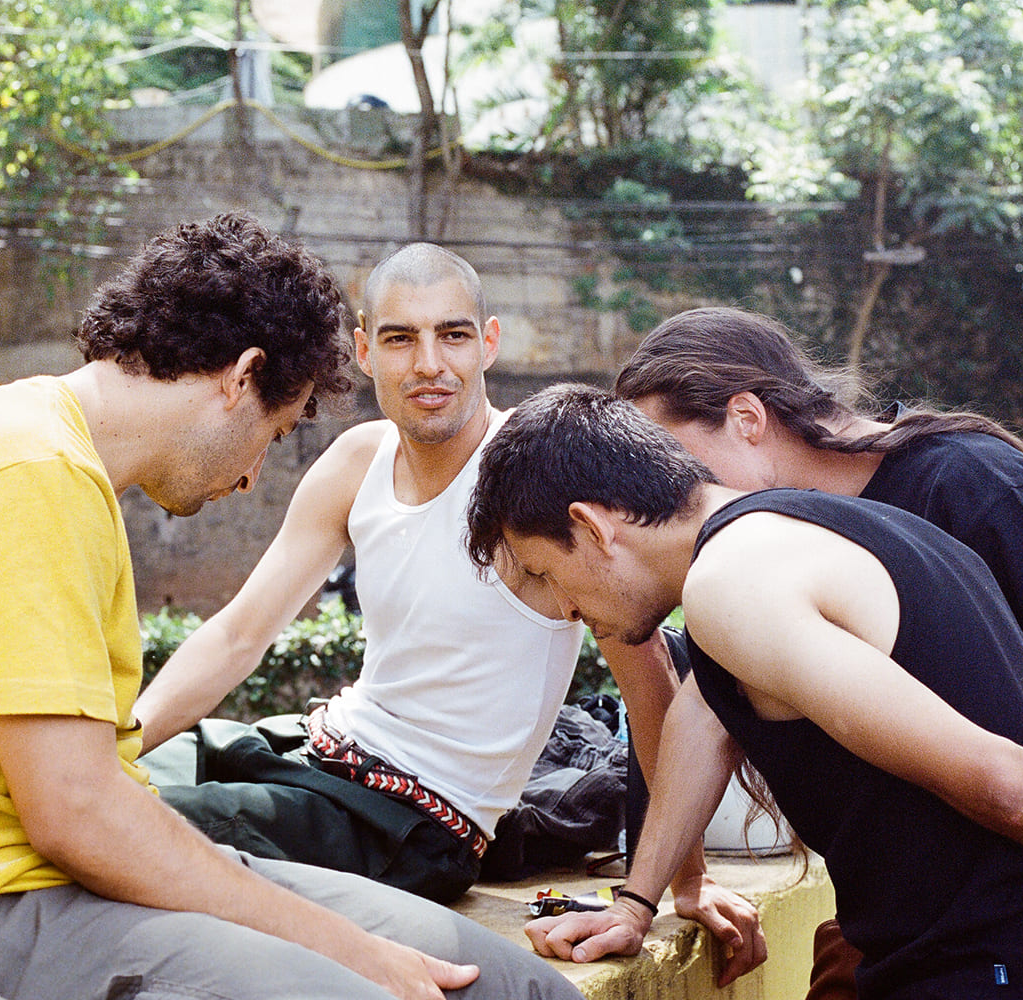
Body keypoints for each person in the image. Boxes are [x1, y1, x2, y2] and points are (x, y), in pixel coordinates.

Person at [0, 213, 584, 1000]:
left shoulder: (56, 463)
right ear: (242, 379)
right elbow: (76, 812)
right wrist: (349, 949)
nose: (250, 479)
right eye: (272, 435)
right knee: (374, 986)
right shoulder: (23, 472)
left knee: (514, 988)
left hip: (70, 871)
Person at [133, 244, 766, 983]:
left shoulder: (534, 479)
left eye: (453, 335)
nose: (429, 364)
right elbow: (240, 633)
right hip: (315, 753)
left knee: (143, 829)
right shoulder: (357, 461)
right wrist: (122, 741)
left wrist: (682, 881)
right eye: (401, 339)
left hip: (414, 824)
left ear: (488, 343)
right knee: (98, 782)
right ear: (365, 352)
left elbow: (650, 683)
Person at [465, 383, 1023, 1000]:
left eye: (547, 573)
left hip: (1015, 966)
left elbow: (1001, 780)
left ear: (591, 526)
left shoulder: (732, 583)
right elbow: (702, 724)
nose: (565, 608)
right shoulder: (811, 532)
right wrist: (636, 903)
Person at [612, 305, 1023, 999]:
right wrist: (644, 898)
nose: (663, 491)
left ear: (747, 418)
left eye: (672, 460)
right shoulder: (761, 554)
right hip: (902, 916)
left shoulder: (975, 487)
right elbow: (707, 711)